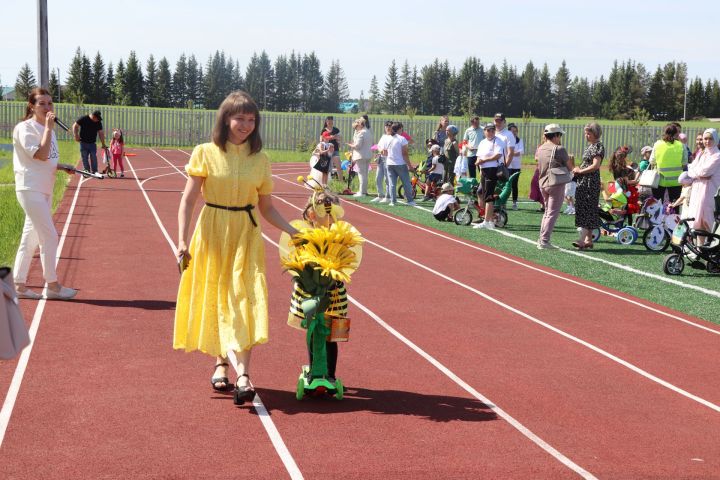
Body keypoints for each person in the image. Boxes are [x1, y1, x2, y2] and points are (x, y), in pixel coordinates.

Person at [174, 91, 298, 405]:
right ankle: (220, 362)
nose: (245, 125)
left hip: (246, 233)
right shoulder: (205, 152)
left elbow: (267, 208)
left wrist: (294, 231)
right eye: (239, 118)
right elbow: (188, 200)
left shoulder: (261, 159)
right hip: (212, 232)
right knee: (216, 296)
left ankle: (243, 374)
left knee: (245, 298)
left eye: (251, 119)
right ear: (226, 119)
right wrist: (181, 240)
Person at [12, 88, 78, 300]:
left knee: (30, 237)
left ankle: (19, 285)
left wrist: (61, 166)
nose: (48, 108)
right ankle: (52, 285)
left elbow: (48, 159)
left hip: (44, 188)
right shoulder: (26, 128)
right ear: (32, 106)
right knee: (49, 235)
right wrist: (48, 130)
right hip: (30, 187)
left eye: (50, 103)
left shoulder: (48, 130)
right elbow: (39, 154)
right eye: (42, 103)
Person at [536, 124, 573, 249]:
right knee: (552, 213)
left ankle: (541, 238)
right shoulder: (559, 149)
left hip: (542, 183)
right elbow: (570, 167)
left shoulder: (540, 148)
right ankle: (544, 241)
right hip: (555, 183)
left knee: (547, 212)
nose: (560, 138)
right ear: (556, 135)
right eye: (559, 135)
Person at [572, 122, 605, 250]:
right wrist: (577, 168)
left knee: (587, 208)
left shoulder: (598, 146)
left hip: (590, 182)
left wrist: (580, 171)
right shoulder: (590, 146)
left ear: (595, 134)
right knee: (587, 208)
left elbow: (595, 165)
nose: (586, 135)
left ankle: (581, 240)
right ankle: (588, 240)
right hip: (584, 181)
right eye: (585, 133)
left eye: (588, 133)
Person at [686, 128, 720, 234]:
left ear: (716, 139)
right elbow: (690, 169)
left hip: (709, 190)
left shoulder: (717, 155)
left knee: (708, 218)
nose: (707, 141)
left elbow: (705, 172)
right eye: (705, 139)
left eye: (710, 139)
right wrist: (697, 175)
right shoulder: (701, 153)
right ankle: (699, 247)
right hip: (697, 189)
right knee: (696, 219)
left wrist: (697, 174)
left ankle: (712, 245)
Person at [472, 122, 506, 230]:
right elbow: (478, 157)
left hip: (493, 169)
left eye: (492, 130)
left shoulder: (498, 140)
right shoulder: (482, 142)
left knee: (488, 196)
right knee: (483, 193)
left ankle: (486, 221)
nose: (490, 132)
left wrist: (484, 160)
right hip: (484, 170)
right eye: (488, 130)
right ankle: (489, 220)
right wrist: (479, 165)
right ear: (484, 131)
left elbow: (498, 155)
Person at [649, 123, 687, 205]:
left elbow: (652, 161)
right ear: (676, 134)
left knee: (657, 205)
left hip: (659, 180)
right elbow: (684, 163)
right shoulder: (681, 146)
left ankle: (659, 218)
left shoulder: (657, 144)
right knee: (674, 205)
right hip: (676, 181)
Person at [383, 122, 416, 207]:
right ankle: (410, 200)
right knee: (406, 183)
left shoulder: (387, 138)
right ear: (399, 129)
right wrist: (410, 165)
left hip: (389, 163)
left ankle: (393, 201)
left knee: (392, 183)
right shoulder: (402, 139)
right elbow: (405, 153)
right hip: (400, 163)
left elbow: (384, 152)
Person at [72, 109, 106, 174]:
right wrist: (76, 135)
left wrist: (103, 144)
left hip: (92, 143)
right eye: (97, 118)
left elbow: (101, 133)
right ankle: (87, 170)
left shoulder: (98, 122)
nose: (98, 120)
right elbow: (75, 126)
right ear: (93, 116)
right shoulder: (84, 118)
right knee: (84, 157)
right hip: (83, 142)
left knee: (93, 156)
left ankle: (95, 171)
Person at [346, 116, 372, 197]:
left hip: (360, 155)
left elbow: (358, 146)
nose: (356, 127)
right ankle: (364, 191)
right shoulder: (368, 131)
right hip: (368, 155)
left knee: (361, 174)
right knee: (365, 174)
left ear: (361, 124)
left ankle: (361, 192)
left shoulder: (361, 132)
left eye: (357, 125)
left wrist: (350, 145)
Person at [371, 121, 393, 203]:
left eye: (390, 126)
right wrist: (380, 150)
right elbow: (379, 146)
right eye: (386, 126)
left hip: (388, 159)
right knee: (378, 178)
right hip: (381, 158)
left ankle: (388, 196)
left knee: (387, 179)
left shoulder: (393, 137)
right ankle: (380, 195)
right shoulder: (383, 136)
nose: (388, 127)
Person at [320, 116, 343, 182]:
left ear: (333, 121)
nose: (330, 122)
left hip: (335, 149)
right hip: (326, 151)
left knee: (338, 166)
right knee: (326, 168)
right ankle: (325, 183)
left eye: (331, 121)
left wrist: (329, 137)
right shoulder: (323, 130)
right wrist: (333, 137)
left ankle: (341, 182)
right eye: (328, 121)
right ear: (326, 122)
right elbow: (321, 139)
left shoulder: (336, 130)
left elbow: (340, 138)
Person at [507, 123, 524, 210]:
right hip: (507, 165)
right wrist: (512, 153)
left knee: (514, 184)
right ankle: (503, 202)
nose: (514, 133)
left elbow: (520, 152)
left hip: (516, 166)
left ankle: (514, 203)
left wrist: (510, 153)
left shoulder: (519, 140)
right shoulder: (506, 140)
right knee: (506, 184)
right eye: (512, 131)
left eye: (515, 131)